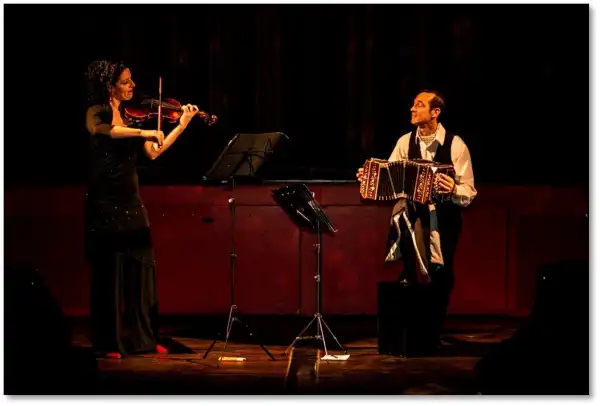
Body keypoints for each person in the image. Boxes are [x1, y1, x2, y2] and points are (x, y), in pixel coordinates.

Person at [84, 60, 201, 358]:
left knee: (142, 269)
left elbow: (154, 151)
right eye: (126, 81)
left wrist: (181, 125)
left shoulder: (133, 117)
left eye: (131, 80)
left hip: (131, 201)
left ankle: (143, 339)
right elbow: (100, 130)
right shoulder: (96, 112)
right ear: (109, 86)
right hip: (104, 202)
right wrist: (142, 133)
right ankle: (109, 342)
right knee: (110, 273)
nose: (133, 86)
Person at [357, 90, 477, 353]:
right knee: (410, 272)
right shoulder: (405, 141)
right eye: (413, 104)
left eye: (419, 105)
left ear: (435, 112)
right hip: (411, 217)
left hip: (443, 219)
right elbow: (389, 177)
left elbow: (468, 191)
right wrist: (369, 177)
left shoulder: (455, 144)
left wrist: (453, 188)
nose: (412, 109)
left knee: (441, 273)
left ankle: (433, 331)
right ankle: (412, 335)